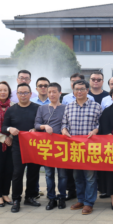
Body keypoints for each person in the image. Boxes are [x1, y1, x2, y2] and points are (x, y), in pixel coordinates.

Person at [62, 79, 102, 215]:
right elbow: (64, 124)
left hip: (90, 147)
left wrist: (96, 130)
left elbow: (100, 124)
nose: (79, 92)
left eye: (82, 89)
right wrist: (64, 130)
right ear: (73, 91)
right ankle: (81, 199)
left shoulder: (96, 106)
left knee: (90, 177)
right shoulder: (68, 107)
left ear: (87, 90)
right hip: (75, 148)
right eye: (76, 89)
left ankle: (89, 203)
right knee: (77, 176)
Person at [2, 83, 41, 213]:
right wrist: (10, 129)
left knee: (33, 172)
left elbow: (42, 124)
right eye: (20, 93)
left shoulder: (38, 108)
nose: (23, 95)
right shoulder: (11, 110)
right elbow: (3, 127)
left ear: (30, 94)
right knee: (17, 173)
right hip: (18, 146)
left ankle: (30, 196)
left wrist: (36, 129)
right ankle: (16, 199)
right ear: (16, 94)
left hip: (34, 146)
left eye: (25, 93)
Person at [35, 82, 67, 210]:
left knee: (62, 174)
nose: (51, 94)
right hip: (47, 146)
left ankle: (62, 197)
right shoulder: (42, 108)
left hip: (62, 146)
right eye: (49, 92)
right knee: (49, 174)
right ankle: (51, 198)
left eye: (54, 92)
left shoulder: (66, 108)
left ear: (60, 93)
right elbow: (37, 124)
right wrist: (44, 126)